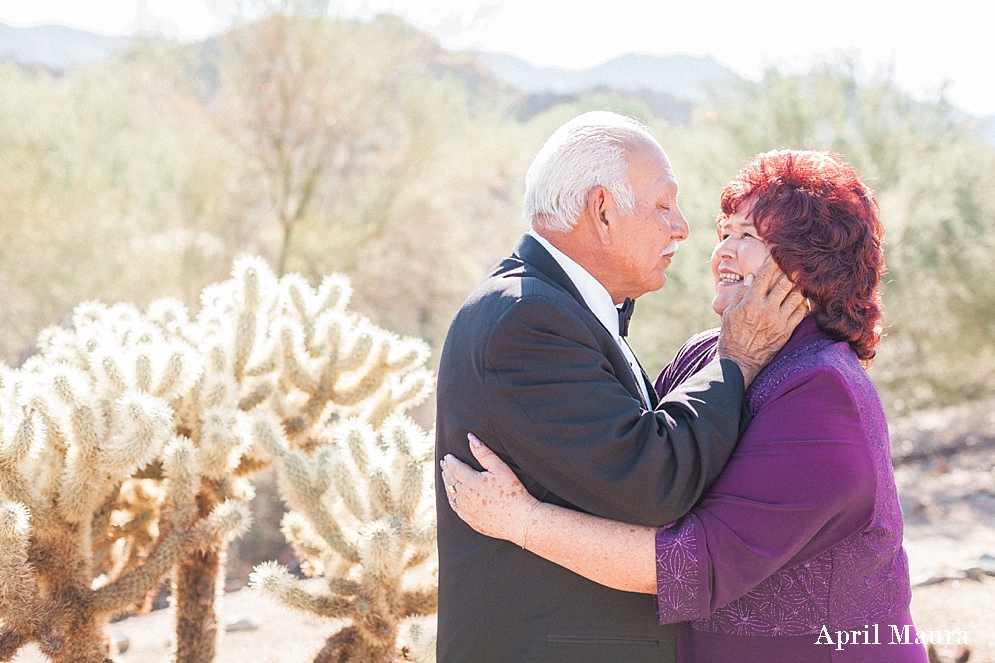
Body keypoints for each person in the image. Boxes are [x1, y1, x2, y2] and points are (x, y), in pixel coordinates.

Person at [441, 149, 928, 662]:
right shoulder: (711, 352)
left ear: (809, 266)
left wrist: (520, 520)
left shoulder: (822, 394)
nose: (721, 252)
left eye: (750, 238)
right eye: (726, 233)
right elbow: (655, 458)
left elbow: (689, 565)